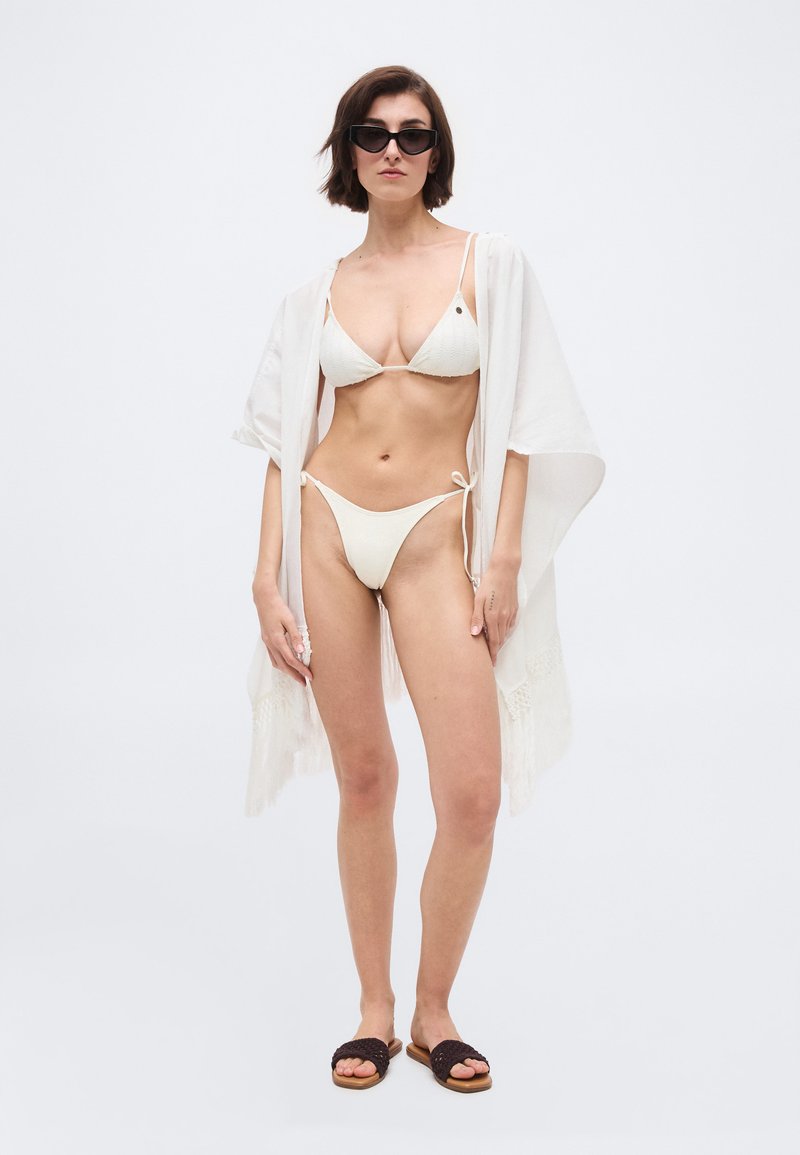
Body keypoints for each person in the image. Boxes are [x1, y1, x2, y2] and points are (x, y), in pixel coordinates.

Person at [231, 64, 605, 1093]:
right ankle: (374, 1011)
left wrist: (504, 555)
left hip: (436, 536)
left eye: (412, 133)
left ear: (437, 151)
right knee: (364, 778)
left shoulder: (493, 264)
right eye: (371, 132)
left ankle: (435, 1010)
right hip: (326, 527)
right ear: (347, 153)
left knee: (470, 793)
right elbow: (280, 446)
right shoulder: (313, 296)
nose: (391, 149)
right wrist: (263, 578)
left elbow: (525, 418)